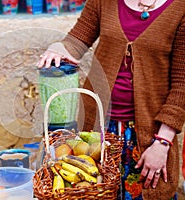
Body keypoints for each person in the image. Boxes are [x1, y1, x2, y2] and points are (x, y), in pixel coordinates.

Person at [37, 0, 185, 199]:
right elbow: (76, 41)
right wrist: (59, 48)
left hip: (151, 135)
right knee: (94, 190)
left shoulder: (180, 8)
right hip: (98, 129)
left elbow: (181, 85)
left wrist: (162, 143)